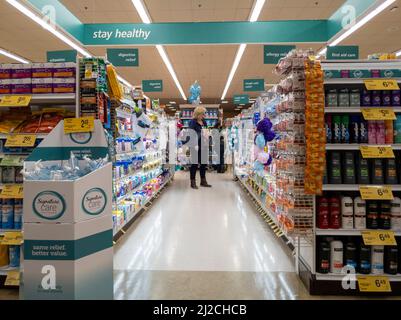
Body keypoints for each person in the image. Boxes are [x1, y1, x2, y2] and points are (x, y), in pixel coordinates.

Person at [184, 106, 212, 189]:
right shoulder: (192, 122)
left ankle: (203, 181)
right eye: (203, 114)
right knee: (194, 164)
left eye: (204, 114)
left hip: (204, 145)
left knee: (203, 164)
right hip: (195, 146)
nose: (204, 115)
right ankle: (192, 182)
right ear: (198, 114)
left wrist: (208, 136)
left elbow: (206, 132)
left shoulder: (204, 122)